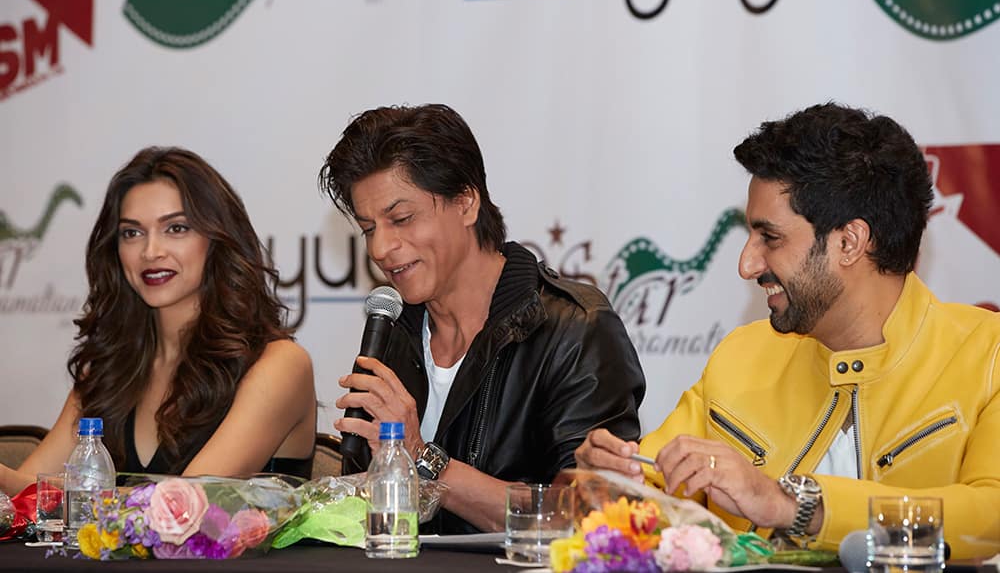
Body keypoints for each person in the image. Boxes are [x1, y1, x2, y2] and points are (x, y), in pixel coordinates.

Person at [575, 103, 1000, 558]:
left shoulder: (987, 353)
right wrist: (611, 483)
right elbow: (655, 486)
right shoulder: (743, 353)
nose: (747, 264)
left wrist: (790, 504)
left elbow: (989, 516)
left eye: (770, 238)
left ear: (849, 242)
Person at [319, 103, 646, 534]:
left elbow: (589, 517)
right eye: (368, 228)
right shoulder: (393, 331)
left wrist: (419, 454)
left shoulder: (574, 328)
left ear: (467, 202)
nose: (380, 248)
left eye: (401, 219)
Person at [0, 147, 316, 495]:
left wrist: (71, 494)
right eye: (132, 233)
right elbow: (27, 493)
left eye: (176, 228)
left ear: (217, 240)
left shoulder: (280, 364)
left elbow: (183, 503)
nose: (150, 252)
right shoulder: (107, 368)